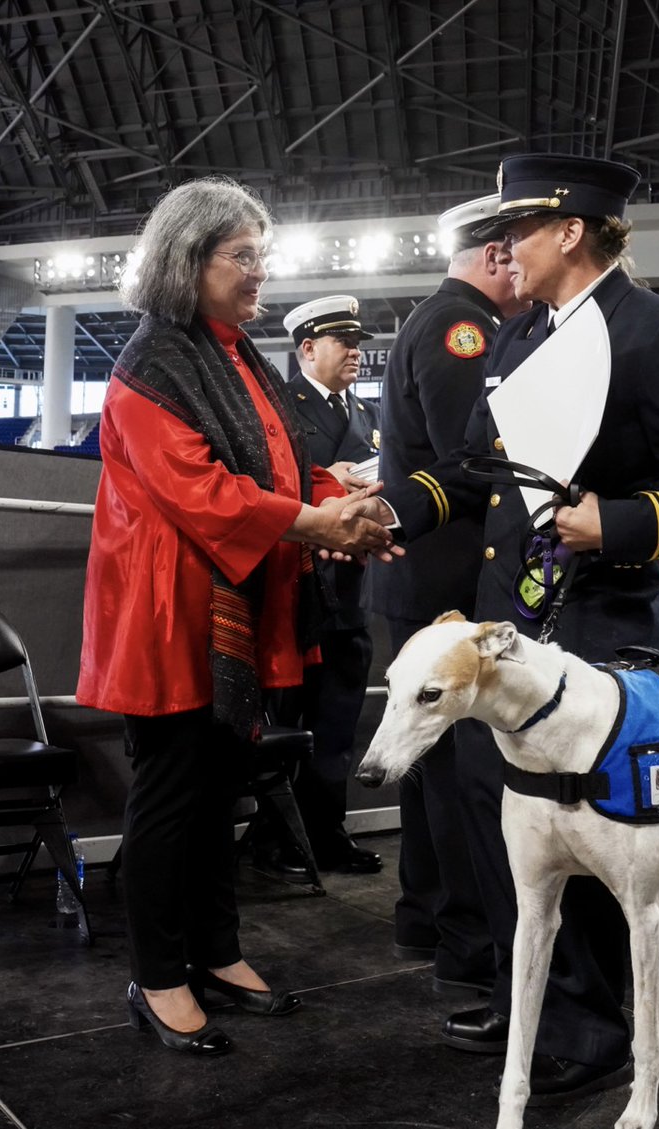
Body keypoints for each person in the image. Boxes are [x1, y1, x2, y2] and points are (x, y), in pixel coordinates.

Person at [363, 153, 659, 1102]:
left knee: (596, 831)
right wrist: (386, 513)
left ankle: (594, 1024)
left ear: (572, 231)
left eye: (519, 231)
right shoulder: (521, 332)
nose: (503, 250)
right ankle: (539, 995)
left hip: (601, 625)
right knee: (515, 830)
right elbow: (475, 469)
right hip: (514, 629)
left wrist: (611, 522)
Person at [76, 177, 397, 1056]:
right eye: (242, 256)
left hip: (227, 606)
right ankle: (157, 974)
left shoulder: (233, 350)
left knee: (218, 789)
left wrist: (351, 509)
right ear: (189, 260)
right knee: (173, 796)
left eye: (263, 255)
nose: (260, 272)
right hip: (168, 613)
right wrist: (315, 520)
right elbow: (202, 490)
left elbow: (287, 462)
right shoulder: (150, 363)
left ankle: (216, 953)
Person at [373, 194, 525, 991]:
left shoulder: (438, 319)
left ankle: (428, 916)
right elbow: (478, 461)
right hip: (448, 582)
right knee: (465, 772)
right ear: (497, 255)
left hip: (423, 577)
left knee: (432, 767)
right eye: (520, 256)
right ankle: (470, 941)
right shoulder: (462, 328)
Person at [269, 295, 383, 875]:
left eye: (359, 343)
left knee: (337, 723)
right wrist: (327, 481)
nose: (357, 353)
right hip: (296, 591)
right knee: (285, 721)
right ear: (308, 349)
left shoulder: (363, 415)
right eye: (345, 343)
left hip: (349, 590)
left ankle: (326, 833)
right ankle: (278, 838)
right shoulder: (281, 409)